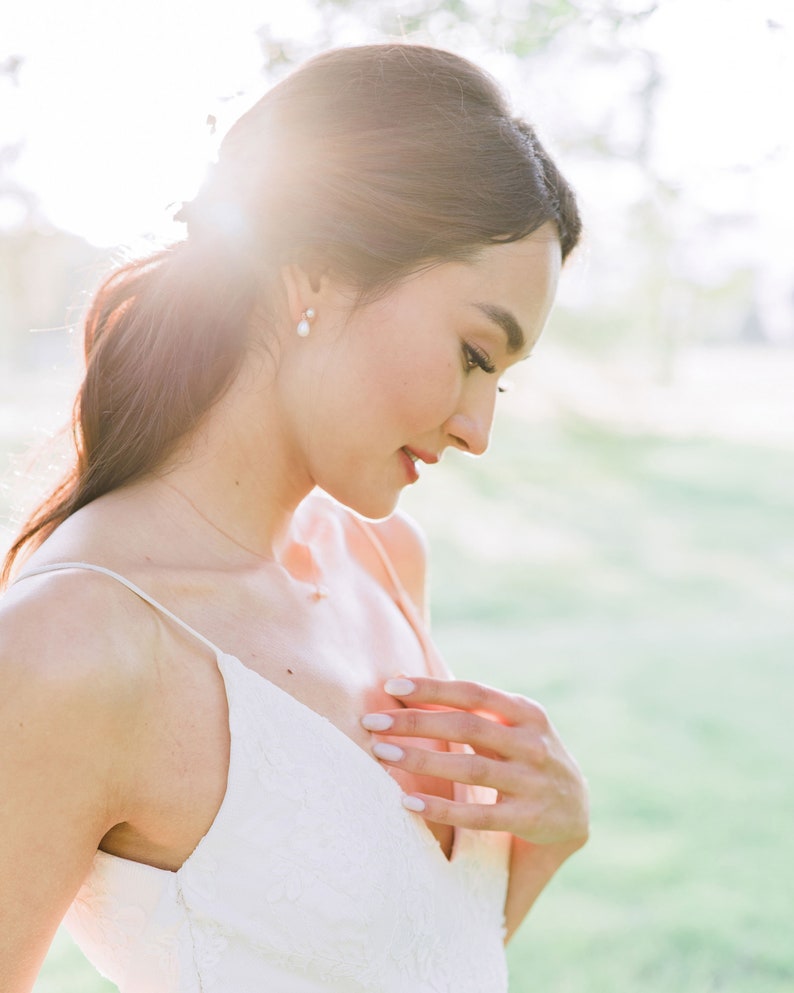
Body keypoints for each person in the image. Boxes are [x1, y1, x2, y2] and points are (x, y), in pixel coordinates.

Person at [0, 43, 589, 993]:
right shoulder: (72, 648)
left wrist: (542, 846)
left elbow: (395, 961)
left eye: (502, 385)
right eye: (477, 354)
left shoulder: (386, 560)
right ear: (314, 272)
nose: (479, 430)